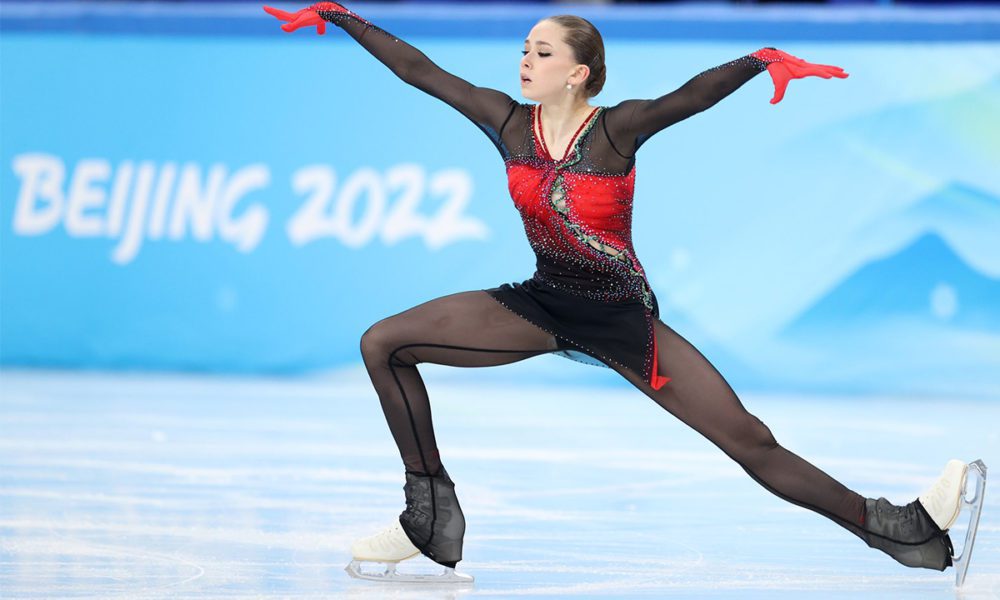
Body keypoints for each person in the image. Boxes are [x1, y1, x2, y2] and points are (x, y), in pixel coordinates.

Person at [263, 2, 986, 586]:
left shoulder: (616, 131)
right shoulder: (505, 122)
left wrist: (760, 60)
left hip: (621, 321)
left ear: (579, 73)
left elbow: (690, 97)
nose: (525, 59)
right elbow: (420, 70)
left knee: (750, 442)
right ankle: (427, 517)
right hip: (540, 304)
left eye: (542, 52)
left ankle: (901, 528)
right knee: (382, 342)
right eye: (524, 47)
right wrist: (340, 15)